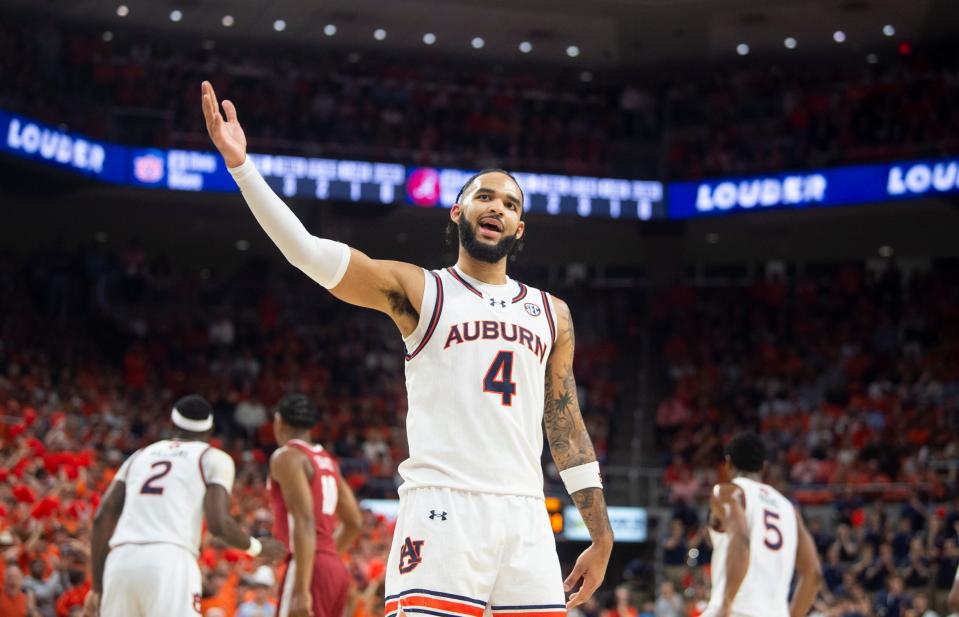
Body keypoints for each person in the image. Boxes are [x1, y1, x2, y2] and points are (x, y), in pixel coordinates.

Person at [201, 80, 613, 611]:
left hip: (527, 514)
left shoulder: (553, 312)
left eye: (510, 203)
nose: (497, 208)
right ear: (457, 212)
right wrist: (242, 168)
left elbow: (566, 427)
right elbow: (308, 253)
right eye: (483, 196)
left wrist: (600, 535)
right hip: (443, 509)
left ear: (520, 227)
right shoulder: (423, 289)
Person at [84, 395, 285, 617]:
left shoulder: (139, 456)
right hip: (170, 558)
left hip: (120, 560)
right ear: (209, 432)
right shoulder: (214, 458)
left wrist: (97, 588)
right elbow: (218, 524)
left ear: (171, 425)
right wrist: (257, 548)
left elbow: (102, 516)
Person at [702, 432, 822, 617]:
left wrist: (726, 604)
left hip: (737, 610)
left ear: (728, 463)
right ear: (764, 467)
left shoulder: (728, 493)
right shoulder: (789, 509)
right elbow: (813, 573)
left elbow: (741, 541)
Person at [268, 394, 363, 617]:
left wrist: (302, 588)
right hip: (333, 568)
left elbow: (305, 519)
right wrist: (327, 558)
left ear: (279, 422)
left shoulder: (286, 457)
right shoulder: (327, 460)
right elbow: (354, 522)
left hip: (309, 567)